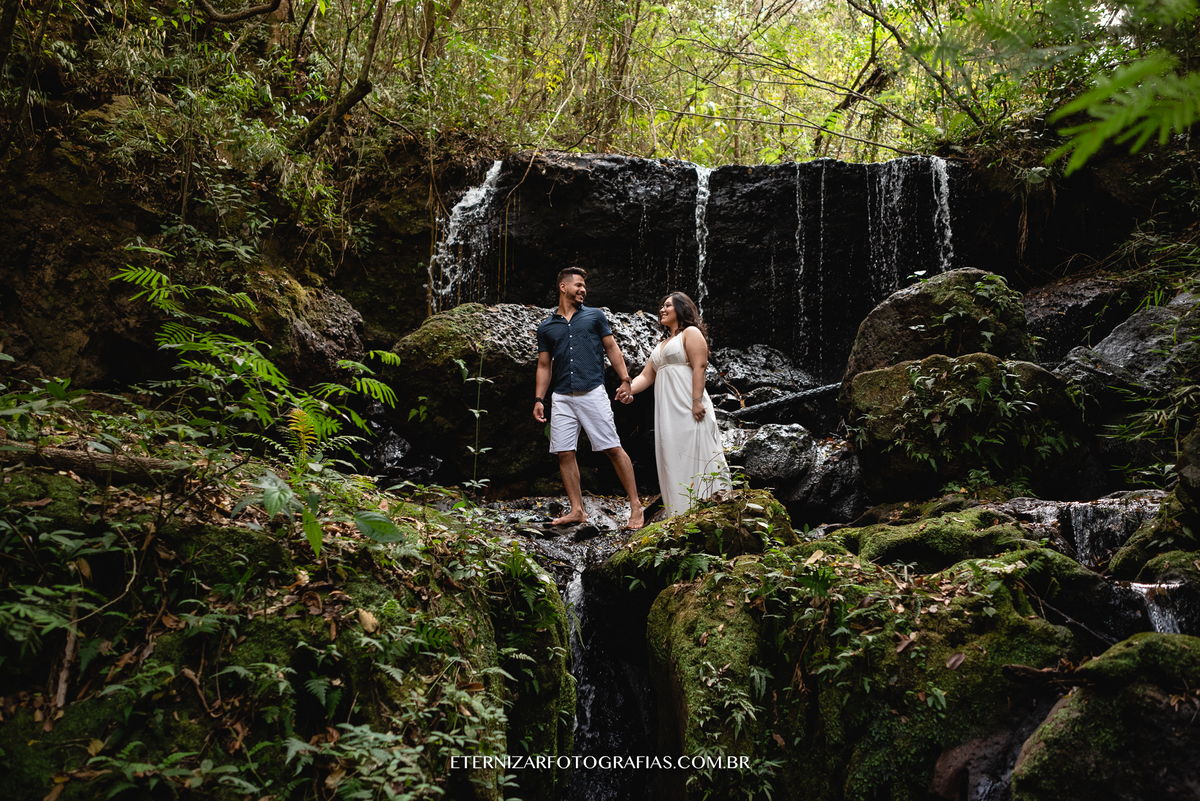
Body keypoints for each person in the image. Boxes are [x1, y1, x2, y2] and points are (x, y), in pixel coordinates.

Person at [534, 268, 644, 530]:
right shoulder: (546, 326)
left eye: (585, 287)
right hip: (561, 396)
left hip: (592, 392)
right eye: (579, 285)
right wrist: (539, 398)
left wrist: (626, 380)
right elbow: (543, 366)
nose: (583, 290)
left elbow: (611, 348)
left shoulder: (595, 316)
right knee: (564, 452)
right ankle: (577, 510)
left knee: (612, 448)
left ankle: (636, 506)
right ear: (563, 286)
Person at [620, 292, 731, 518]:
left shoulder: (691, 333)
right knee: (672, 454)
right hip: (667, 412)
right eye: (662, 305)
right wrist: (628, 388)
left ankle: (710, 509)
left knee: (696, 451)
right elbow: (646, 377)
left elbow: (699, 367)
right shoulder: (661, 345)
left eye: (668, 305)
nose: (662, 309)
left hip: (689, 404)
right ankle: (680, 515)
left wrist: (697, 401)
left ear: (681, 309)